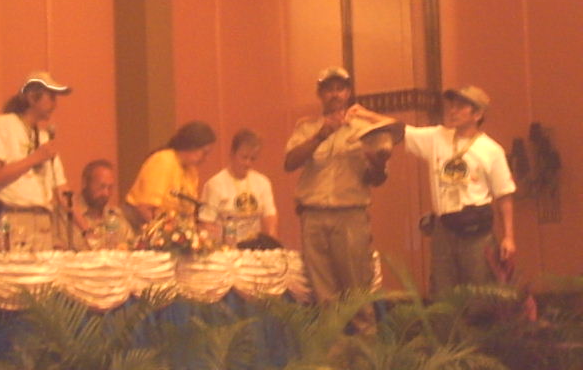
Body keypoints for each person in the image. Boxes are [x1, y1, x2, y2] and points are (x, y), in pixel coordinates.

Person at [349, 85, 516, 298]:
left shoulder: (492, 150)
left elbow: (504, 195)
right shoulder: (437, 137)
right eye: (452, 106)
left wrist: (509, 237)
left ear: (477, 114)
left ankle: (480, 320)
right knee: (442, 289)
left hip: (476, 231)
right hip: (443, 228)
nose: (453, 111)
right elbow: (399, 128)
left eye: (461, 107)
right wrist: (365, 114)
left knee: (480, 289)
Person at [284, 67, 389, 305]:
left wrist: (378, 163)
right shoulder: (306, 127)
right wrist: (320, 135)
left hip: (350, 215)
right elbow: (289, 163)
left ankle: (363, 330)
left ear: (348, 93)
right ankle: (331, 330)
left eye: (340, 89)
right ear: (319, 94)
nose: (335, 94)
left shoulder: (366, 129)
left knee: (356, 288)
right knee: (323, 292)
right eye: (328, 89)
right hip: (313, 216)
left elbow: (378, 179)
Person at [0, 70, 71, 252]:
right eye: (51, 97)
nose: (55, 104)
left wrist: (87, 230)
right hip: (13, 217)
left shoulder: (44, 137)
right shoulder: (3, 124)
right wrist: (34, 158)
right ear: (32, 98)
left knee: (44, 271)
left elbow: (62, 191)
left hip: (43, 220)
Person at [123, 121, 216, 233]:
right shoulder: (163, 160)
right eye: (204, 153)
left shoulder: (191, 171)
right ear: (191, 146)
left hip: (170, 229)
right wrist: (167, 234)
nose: (206, 159)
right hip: (141, 225)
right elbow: (145, 208)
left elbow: (189, 211)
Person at [200, 129, 279, 248]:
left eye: (252, 159)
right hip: (225, 248)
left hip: (254, 246)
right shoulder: (215, 184)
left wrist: (272, 238)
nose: (248, 163)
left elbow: (270, 215)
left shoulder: (263, 182)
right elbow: (206, 223)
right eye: (244, 157)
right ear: (232, 154)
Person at [70, 159, 135, 251]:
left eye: (110, 188)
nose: (106, 193)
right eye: (101, 187)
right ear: (85, 183)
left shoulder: (115, 217)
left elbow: (131, 247)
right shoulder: (68, 216)